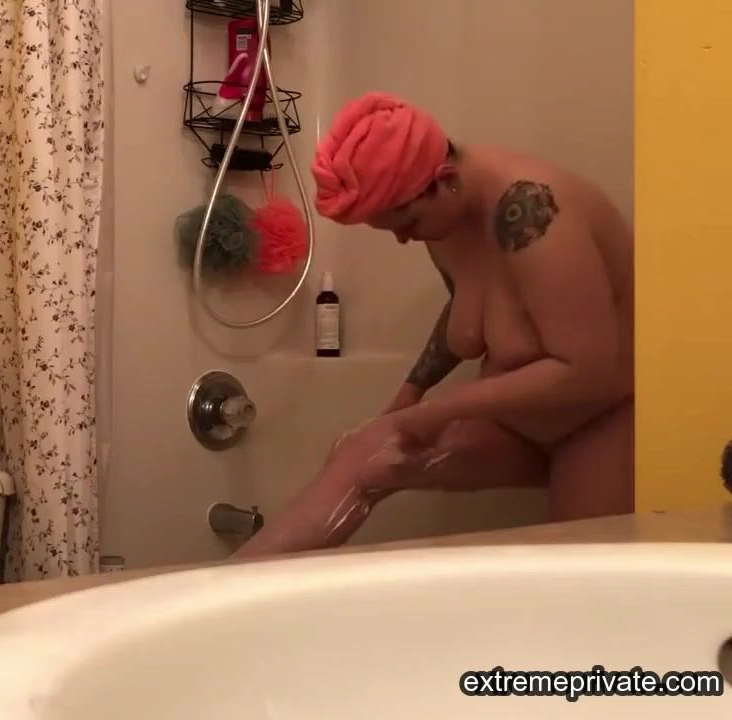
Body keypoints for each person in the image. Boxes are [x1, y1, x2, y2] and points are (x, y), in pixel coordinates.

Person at [234, 92, 634, 558]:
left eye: (406, 222)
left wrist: (437, 411)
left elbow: (586, 371)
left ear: (445, 181)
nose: (404, 238)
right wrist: (408, 396)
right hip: (516, 426)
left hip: (595, 425)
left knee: (575, 574)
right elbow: (469, 308)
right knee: (363, 453)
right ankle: (226, 585)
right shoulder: (445, 218)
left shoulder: (537, 213)